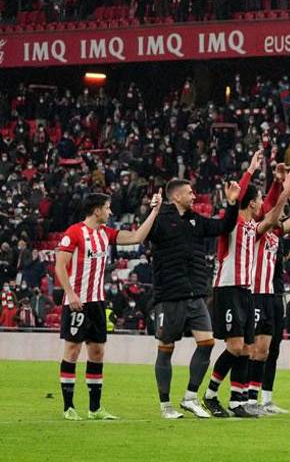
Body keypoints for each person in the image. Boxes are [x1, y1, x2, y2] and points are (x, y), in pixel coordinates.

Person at [55, 190, 162, 420]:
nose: (110, 211)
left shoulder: (106, 234)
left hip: (97, 303)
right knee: (72, 351)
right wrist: (71, 294)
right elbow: (59, 266)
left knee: (97, 352)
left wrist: (155, 211)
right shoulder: (74, 233)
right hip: (77, 302)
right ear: (96, 210)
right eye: (107, 207)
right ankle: (69, 408)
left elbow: (136, 237)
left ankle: (95, 409)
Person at [203, 155, 290, 418]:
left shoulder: (253, 228)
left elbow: (273, 215)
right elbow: (242, 199)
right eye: (259, 199)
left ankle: (238, 401)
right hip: (228, 289)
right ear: (251, 202)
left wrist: (282, 191)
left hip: (246, 291)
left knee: (244, 348)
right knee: (235, 347)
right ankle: (210, 394)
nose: (262, 203)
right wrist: (251, 170)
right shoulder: (231, 224)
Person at [148, 175, 241, 419]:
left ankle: (190, 397)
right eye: (189, 193)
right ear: (177, 195)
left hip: (196, 294)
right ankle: (166, 406)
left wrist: (232, 205)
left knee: (207, 342)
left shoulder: (194, 220)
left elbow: (223, 227)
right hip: (169, 295)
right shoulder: (160, 220)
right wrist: (153, 210)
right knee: (166, 348)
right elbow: (147, 234)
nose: (194, 196)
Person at [252, 167, 290, 414]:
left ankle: (266, 399)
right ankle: (246, 397)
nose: (283, 213)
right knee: (257, 350)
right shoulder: (257, 229)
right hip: (256, 293)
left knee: (273, 349)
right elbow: (271, 207)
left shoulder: (277, 233)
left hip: (277, 295)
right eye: (279, 210)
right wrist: (282, 188)